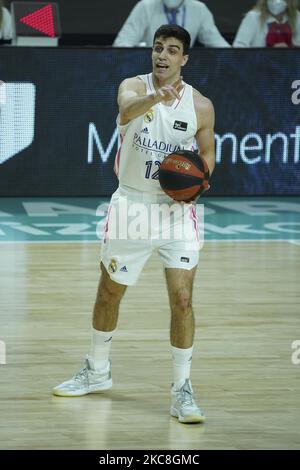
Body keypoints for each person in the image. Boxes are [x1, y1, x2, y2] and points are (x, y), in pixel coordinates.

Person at [53, 24, 216, 424]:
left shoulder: (201, 106)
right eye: (158, 48)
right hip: (132, 207)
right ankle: (97, 369)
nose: (163, 55)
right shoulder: (132, 87)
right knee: (109, 294)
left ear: (184, 59)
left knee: (182, 300)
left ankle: (182, 390)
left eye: (172, 50)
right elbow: (126, 111)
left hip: (176, 212)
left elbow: (208, 154)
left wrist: (200, 182)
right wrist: (154, 97)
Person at [113, 0, 230, 48]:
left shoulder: (199, 9)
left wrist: (240, 56)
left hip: (186, 71)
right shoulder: (145, 6)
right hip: (151, 70)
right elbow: (122, 45)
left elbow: (220, 46)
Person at [233, 0, 300, 47]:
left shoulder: (297, 17)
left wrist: (289, 51)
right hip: (258, 65)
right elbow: (238, 50)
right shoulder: (253, 17)